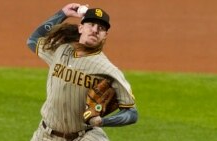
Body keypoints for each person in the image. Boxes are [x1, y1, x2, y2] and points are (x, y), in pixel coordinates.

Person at [26, 3, 138, 141]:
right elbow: (33, 40)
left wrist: (102, 122)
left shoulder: (107, 69)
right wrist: (63, 13)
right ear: (81, 27)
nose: (95, 30)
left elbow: (132, 113)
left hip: (84, 136)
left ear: (105, 36)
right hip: (44, 134)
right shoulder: (60, 50)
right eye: (91, 24)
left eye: (101, 28)